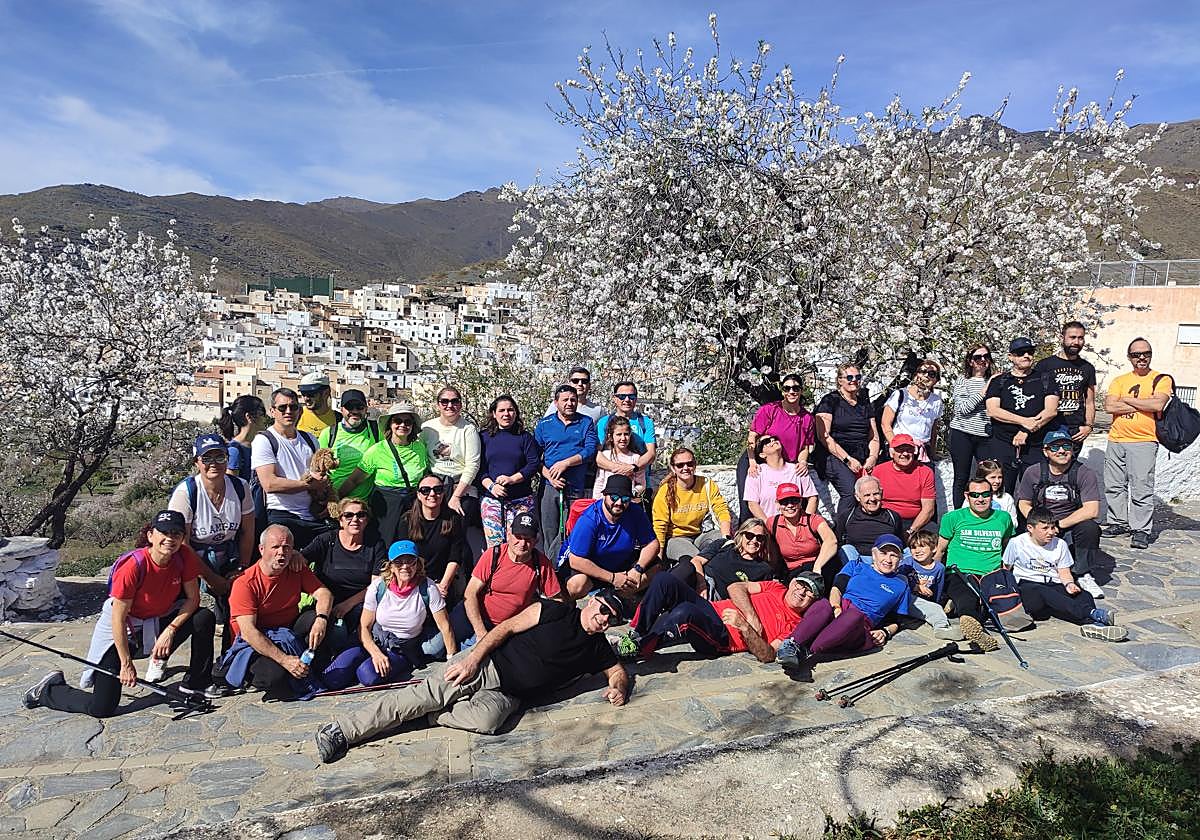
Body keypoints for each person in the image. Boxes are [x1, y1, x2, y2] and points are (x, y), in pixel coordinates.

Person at [315, 590, 630, 763]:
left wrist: (619, 688)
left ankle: (433, 717)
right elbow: (505, 628)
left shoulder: (597, 648)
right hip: (485, 665)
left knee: (488, 724)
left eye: (611, 618)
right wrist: (473, 660)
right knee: (418, 697)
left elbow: (617, 672)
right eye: (602, 610)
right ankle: (339, 730)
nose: (603, 619)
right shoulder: (555, 611)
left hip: (508, 696)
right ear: (591, 601)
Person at [23, 511, 217, 716]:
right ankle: (49, 690)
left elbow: (193, 599)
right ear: (151, 535)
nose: (170, 539)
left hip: (157, 621)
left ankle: (197, 681)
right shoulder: (133, 566)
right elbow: (118, 618)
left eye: (176, 534)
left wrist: (170, 630)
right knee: (102, 707)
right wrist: (126, 664)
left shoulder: (184, 557)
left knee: (203, 617)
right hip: (123, 630)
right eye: (164, 532)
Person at [214, 525, 334, 698]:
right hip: (254, 642)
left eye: (286, 548)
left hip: (286, 630)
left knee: (321, 617)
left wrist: (321, 618)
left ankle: (314, 666)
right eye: (275, 547)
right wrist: (284, 660)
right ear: (261, 549)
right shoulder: (245, 583)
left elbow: (324, 594)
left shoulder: (295, 568)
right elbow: (249, 633)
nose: (281, 553)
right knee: (275, 678)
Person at [321, 539, 458, 690]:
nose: (405, 566)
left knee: (366, 675)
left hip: (401, 648)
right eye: (399, 562)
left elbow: (445, 626)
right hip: (374, 641)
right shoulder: (378, 587)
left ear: (417, 564)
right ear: (391, 566)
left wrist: (452, 660)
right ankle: (362, 662)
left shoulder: (428, 588)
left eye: (410, 560)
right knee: (332, 678)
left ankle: (391, 664)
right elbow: (364, 627)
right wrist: (375, 652)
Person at [168, 433, 255, 653]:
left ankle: (231, 653)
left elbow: (247, 532)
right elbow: (182, 542)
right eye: (206, 458)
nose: (213, 464)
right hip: (190, 554)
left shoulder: (240, 487)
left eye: (220, 457)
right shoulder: (186, 492)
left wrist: (240, 569)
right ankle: (162, 653)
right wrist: (210, 578)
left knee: (238, 601)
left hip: (228, 551)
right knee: (181, 606)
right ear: (197, 462)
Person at [616, 570, 821, 663]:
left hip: (722, 637)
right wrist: (751, 615)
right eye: (800, 584)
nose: (801, 592)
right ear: (793, 581)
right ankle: (635, 634)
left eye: (809, 591)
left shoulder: (795, 625)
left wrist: (744, 627)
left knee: (685, 613)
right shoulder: (776, 587)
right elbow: (735, 587)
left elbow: (768, 656)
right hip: (713, 609)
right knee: (664, 580)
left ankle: (640, 650)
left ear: (813, 600)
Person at [776, 534, 911, 668]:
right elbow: (837, 589)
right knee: (823, 604)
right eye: (883, 553)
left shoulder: (901, 586)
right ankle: (790, 645)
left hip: (859, 625)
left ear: (900, 559)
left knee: (853, 615)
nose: (888, 559)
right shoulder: (856, 566)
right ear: (874, 554)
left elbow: (897, 620)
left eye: (894, 555)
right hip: (839, 609)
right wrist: (836, 607)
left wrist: (885, 632)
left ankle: (805, 652)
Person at [1003, 507, 1127, 642]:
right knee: (1040, 590)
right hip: (1029, 587)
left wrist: (1069, 584)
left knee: (1083, 595)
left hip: (1053, 584)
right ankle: (1091, 613)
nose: (1050, 532)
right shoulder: (1016, 543)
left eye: (1052, 528)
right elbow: (1006, 568)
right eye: (1045, 528)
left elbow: (1064, 572)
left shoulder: (1060, 544)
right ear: (1030, 528)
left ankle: (1092, 625)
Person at [450, 512, 562, 647]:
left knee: (467, 656)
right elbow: (470, 592)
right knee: (434, 648)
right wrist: (480, 631)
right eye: (518, 537)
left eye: (528, 539)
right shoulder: (494, 555)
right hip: (472, 613)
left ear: (536, 540)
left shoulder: (541, 563)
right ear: (509, 535)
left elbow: (557, 600)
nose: (522, 543)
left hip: (502, 628)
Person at [1015, 428, 1104, 599]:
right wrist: (1040, 525)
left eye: (1066, 446)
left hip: (1069, 526)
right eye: (1055, 447)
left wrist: (1059, 525)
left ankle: (1082, 573)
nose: (1061, 451)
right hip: (1042, 524)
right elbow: (1023, 503)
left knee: (1090, 528)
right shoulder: (1033, 472)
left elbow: (1092, 509)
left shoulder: (1084, 473)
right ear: (1046, 451)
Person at [1103, 337, 1172, 550]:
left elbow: (1159, 402)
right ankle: (1117, 522)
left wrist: (1126, 401)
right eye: (1136, 354)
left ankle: (1141, 529)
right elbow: (1109, 406)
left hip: (1144, 440)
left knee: (1141, 486)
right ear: (1129, 357)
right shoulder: (1119, 380)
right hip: (1116, 439)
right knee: (1114, 485)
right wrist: (1144, 404)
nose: (1141, 357)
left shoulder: (1161, 379)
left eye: (1146, 353)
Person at [936, 476, 1016, 651]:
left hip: (991, 574)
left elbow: (1006, 547)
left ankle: (958, 610)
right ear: (967, 496)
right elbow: (940, 550)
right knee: (967, 596)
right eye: (975, 495)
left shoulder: (1003, 518)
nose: (980, 499)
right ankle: (970, 622)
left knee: (1002, 606)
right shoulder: (953, 518)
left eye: (985, 494)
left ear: (992, 495)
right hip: (961, 571)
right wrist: (934, 577)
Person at [300, 498, 387, 648]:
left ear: (366, 520)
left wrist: (347, 605)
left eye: (361, 515)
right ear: (340, 520)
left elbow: (376, 587)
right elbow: (301, 559)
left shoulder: (375, 544)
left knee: (340, 632)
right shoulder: (327, 540)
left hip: (358, 604)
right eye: (348, 515)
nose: (355, 519)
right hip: (325, 603)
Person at [251, 387, 330, 551]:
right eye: (282, 407)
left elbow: (319, 475)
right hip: (282, 513)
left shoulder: (309, 439)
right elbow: (269, 484)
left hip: (311, 513)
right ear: (272, 411)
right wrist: (309, 485)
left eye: (293, 407)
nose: (288, 411)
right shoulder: (265, 440)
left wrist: (324, 498)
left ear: (299, 411)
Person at [340, 401, 429, 547]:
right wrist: (336, 498)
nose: (403, 425)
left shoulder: (420, 448)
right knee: (383, 545)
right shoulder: (377, 450)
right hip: (385, 505)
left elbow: (425, 476)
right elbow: (354, 480)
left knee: (409, 545)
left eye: (408, 421)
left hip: (412, 504)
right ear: (390, 424)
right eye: (398, 421)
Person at [562, 475, 660, 599]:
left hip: (619, 561)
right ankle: (569, 608)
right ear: (605, 495)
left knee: (656, 567)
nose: (619, 503)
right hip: (591, 565)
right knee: (577, 585)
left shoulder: (635, 512)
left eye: (625, 499)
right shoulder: (589, 519)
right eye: (614, 497)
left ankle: (617, 597)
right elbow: (576, 560)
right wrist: (612, 578)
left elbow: (652, 544)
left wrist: (638, 569)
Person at [984, 337, 1060, 495]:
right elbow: (993, 410)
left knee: (1035, 491)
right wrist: (1024, 422)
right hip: (1003, 443)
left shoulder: (1045, 379)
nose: (1026, 355)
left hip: (1035, 444)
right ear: (1010, 356)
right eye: (1020, 353)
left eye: (1030, 352)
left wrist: (1025, 430)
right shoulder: (999, 381)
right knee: (1001, 491)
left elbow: (1051, 410)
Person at [737, 373, 816, 521]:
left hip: (784, 465)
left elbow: (805, 446)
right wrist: (752, 461)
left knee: (792, 504)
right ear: (782, 391)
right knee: (747, 507)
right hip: (757, 460)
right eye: (787, 388)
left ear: (801, 390)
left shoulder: (807, 418)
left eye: (795, 388)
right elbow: (752, 437)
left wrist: (803, 462)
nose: (791, 392)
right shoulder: (770, 409)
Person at [533, 384, 598, 559]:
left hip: (576, 488)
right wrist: (550, 477)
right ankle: (549, 570)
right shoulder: (544, 425)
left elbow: (590, 450)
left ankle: (562, 568)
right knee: (549, 531)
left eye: (573, 400)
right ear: (556, 402)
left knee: (571, 531)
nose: (569, 403)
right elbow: (534, 458)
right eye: (565, 400)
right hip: (550, 487)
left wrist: (566, 463)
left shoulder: (585, 422)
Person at [395, 475, 471, 617]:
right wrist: (423, 585)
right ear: (418, 494)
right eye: (425, 490)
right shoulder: (407, 521)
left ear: (443, 493)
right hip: (413, 580)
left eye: (438, 490)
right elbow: (404, 560)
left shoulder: (453, 519)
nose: (432, 494)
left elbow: (455, 556)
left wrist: (442, 586)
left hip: (442, 582)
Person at [815, 364, 881, 518]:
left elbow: (874, 436)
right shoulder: (830, 401)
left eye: (857, 377)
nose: (854, 381)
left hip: (862, 454)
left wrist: (873, 457)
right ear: (840, 380)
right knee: (851, 492)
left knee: (875, 489)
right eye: (849, 377)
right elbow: (824, 436)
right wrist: (847, 459)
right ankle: (841, 533)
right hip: (835, 456)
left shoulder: (864, 403)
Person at [652, 446, 733, 564]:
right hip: (676, 538)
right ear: (673, 468)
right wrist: (658, 559)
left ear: (695, 465)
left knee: (723, 544)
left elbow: (721, 510)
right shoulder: (666, 491)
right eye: (680, 465)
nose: (685, 468)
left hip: (700, 535)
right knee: (697, 559)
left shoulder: (706, 484)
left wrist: (726, 538)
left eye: (689, 464)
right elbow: (660, 525)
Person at [478, 395, 541, 547]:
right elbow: (478, 467)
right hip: (492, 499)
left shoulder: (525, 437)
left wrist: (512, 479)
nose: (506, 414)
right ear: (494, 413)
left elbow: (533, 464)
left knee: (520, 544)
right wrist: (492, 487)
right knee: (495, 546)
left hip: (521, 500)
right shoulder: (483, 437)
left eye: (510, 410)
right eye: (502, 410)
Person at [670, 517, 782, 600]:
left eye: (760, 538)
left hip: (716, 599)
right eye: (749, 535)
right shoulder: (724, 544)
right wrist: (701, 584)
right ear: (741, 534)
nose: (754, 540)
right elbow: (697, 561)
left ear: (764, 541)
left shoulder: (764, 569)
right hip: (699, 580)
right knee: (686, 564)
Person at [420, 386, 481, 532]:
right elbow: (421, 458)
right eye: (444, 401)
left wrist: (456, 496)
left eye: (454, 401)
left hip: (461, 487)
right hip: (434, 488)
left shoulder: (468, 429)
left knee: (455, 531)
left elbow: (472, 465)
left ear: (460, 404)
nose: (450, 405)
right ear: (438, 404)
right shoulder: (427, 428)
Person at [1034, 322, 1097, 452]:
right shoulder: (1044, 365)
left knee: (1071, 468)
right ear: (1061, 337)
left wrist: (1089, 426)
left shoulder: (1087, 368)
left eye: (1080, 338)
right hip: (1049, 426)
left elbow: (1090, 401)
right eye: (1072, 337)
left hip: (1075, 429)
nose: (1077, 342)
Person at [768, 483, 839, 588]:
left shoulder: (813, 519)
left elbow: (831, 541)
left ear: (801, 502)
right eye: (784, 502)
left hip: (817, 567)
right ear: (778, 504)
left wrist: (817, 566)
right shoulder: (772, 523)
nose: (790, 505)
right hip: (792, 573)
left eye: (794, 501)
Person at [948, 345, 994, 507]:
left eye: (986, 356)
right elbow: (963, 409)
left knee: (988, 475)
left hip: (986, 436)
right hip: (962, 433)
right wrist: (984, 391)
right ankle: (958, 515)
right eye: (977, 357)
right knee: (961, 477)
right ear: (970, 361)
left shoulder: (995, 380)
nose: (982, 360)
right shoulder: (963, 380)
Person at [318, 389, 380, 503]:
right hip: (334, 501)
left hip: (363, 504)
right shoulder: (329, 433)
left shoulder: (376, 431)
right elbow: (318, 469)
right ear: (341, 410)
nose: (355, 411)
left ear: (366, 409)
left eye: (359, 407)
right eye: (350, 407)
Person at [872, 433, 937, 536]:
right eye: (900, 450)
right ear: (892, 453)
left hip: (915, 521)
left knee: (935, 534)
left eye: (909, 450)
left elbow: (928, 509)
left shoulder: (925, 472)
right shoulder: (878, 471)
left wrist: (911, 531)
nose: (905, 453)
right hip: (886, 519)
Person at [900, 530, 961, 641]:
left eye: (922, 546)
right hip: (906, 599)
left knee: (936, 608)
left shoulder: (939, 568)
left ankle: (941, 628)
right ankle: (940, 625)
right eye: (913, 548)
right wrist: (915, 586)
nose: (917, 551)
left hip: (923, 602)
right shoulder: (908, 562)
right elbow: (898, 580)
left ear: (934, 549)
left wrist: (936, 603)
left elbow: (938, 588)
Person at [881, 359, 944, 461]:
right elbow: (885, 423)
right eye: (923, 372)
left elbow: (933, 430)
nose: (926, 376)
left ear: (936, 380)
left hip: (923, 452)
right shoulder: (900, 395)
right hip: (901, 449)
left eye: (931, 374)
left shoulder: (937, 402)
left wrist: (932, 453)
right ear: (916, 374)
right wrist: (895, 445)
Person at [743, 434, 816, 521]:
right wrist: (768, 525)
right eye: (766, 442)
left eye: (775, 439)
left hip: (796, 528)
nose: (772, 441)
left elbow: (813, 498)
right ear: (762, 454)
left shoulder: (797, 469)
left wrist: (805, 523)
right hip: (769, 527)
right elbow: (752, 504)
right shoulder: (757, 472)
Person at [834, 476, 905, 563]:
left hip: (886, 561)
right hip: (857, 562)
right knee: (846, 549)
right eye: (867, 495)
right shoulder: (847, 516)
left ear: (881, 493)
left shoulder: (893, 517)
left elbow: (901, 544)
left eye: (876, 494)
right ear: (857, 497)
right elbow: (838, 542)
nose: (872, 499)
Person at [596, 381, 657, 471]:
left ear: (636, 399)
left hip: (639, 478)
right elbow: (597, 454)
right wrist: (618, 469)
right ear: (615, 399)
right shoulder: (604, 422)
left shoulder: (645, 422)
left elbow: (651, 453)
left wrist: (633, 467)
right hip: (610, 478)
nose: (627, 400)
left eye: (631, 396)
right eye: (622, 396)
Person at [593, 416, 649, 500]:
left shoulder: (636, 458)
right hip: (605, 503)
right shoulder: (605, 456)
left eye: (626, 434)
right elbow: (599, 482)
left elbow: (641, 484)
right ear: (611, 437)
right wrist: (596, 502)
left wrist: (632, 493)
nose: (623, 438)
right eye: (619, 434)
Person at [218, 394, 268, 483]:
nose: (265, 418)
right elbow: (232, 487)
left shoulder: (258, 445)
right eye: (262, 413)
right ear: (249, 417)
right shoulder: (234, 450)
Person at [964, 459, 1018, 529]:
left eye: (1000, 477)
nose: (997, 481)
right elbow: (965, 518)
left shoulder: (1006, 498)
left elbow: (1014, 522)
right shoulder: (973, 497)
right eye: (993, 477)